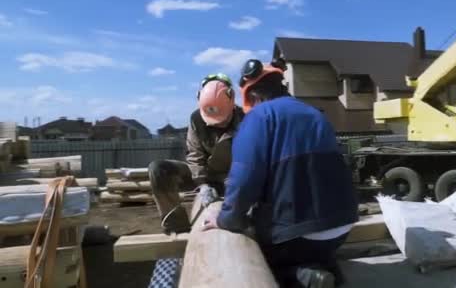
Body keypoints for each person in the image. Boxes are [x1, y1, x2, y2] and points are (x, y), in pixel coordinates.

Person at [202, 59, 359, 288]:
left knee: (266, 252)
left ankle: (298, 276)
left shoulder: (259, 117)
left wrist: (226, 219)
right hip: (342, 225)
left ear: (253, 96)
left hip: (299, 234)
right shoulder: (315, 114)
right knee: (315, 248)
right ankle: (325, 269)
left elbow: (244, 180)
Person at [148, 73, 244, 234]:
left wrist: (232, 181)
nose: (219, 124)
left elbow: (249, 160)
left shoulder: (246, 120)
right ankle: (177, 227)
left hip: (232, 178)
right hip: (203, 176)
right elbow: (194, 154)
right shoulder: (196, 119)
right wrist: (202, 184)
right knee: (158, 169)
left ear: (231, 102)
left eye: (223, 119)